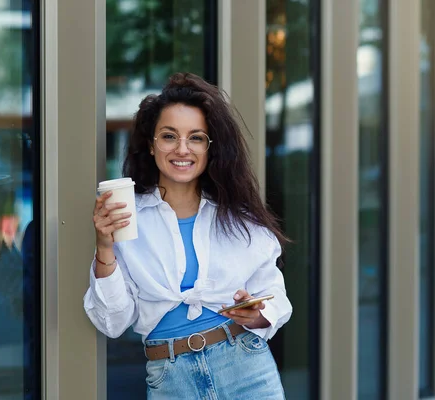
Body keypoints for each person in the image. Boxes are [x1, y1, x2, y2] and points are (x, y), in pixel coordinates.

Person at [83, 72, 292, 399]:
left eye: (196, 138)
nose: (182, 148)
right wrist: (105, 247)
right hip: (170, 377)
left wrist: (258, 314)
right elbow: (112, 322)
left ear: (210, 149)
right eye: (169, 136)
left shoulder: (238, 217)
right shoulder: (127, 217)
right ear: (152, 145)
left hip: (245, 368)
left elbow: (275, 295)